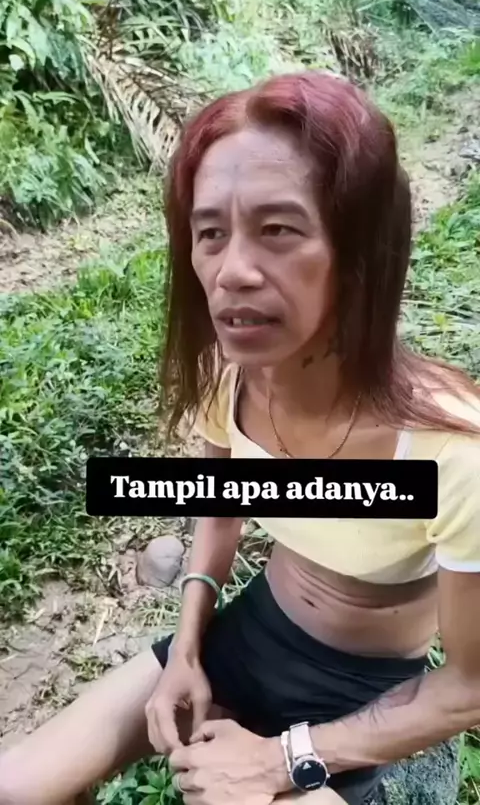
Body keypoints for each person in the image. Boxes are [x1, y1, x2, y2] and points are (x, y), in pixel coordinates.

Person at [1, 70, 480, 805]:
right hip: (249, 637)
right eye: (210, 234)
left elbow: (469, 688)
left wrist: (282, 761)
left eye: (278, 229)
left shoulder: (452, 451)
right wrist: (188, 647)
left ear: (360, 248)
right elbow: (221, 506)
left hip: (370, 694)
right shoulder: (229, 379)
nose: (232, 272)